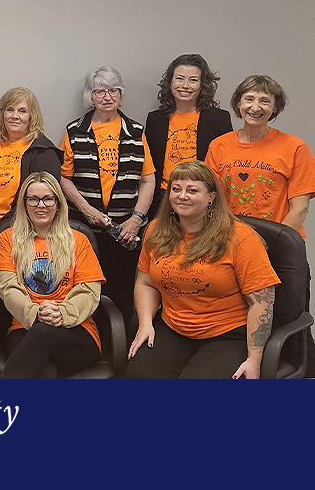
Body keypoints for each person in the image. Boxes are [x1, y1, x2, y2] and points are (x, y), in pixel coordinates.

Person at [204, 75, 315, 376]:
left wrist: (269, 245)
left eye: (265, 101)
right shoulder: (219, 145)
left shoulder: (295, 147)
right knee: (243, 318)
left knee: (286, 322)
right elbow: (210, 200)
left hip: (281, 252)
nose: (256, 107)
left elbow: (300, 207)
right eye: (249, 99)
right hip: (229, 248)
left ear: (275, 108)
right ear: (238, 104)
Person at [127, 161, 279, 379]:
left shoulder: (241, 237)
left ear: (211, 197)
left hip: (228, 335)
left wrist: (254, 359)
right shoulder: (155, 230)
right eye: (176, 189)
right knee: (138, 378)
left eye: (192, 190)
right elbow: (145, 282)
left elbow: (262, 302)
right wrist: (145, 324)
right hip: (174, 328)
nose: (182, 196)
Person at [60, 66, 156, 327]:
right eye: (99, 91)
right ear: (90, 96)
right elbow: (64, 178)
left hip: (124, 231)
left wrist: (136, 219)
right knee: (80, 289)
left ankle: (120, 350)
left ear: (121, 95)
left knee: (122, 291)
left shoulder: (135, 132)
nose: (106, 96)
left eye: (113, 90)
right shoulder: (74, 131)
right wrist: (87, 210)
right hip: (84, 230)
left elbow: (148, 179)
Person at [0, 172, 104, 378]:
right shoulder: (8, 239)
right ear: (24, 204)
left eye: (48, 198)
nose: (41, 205)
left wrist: (62, 313)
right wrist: (36, 314)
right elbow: (7, 287)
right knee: (45, 372)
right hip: (25, 326)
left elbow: (89, 290)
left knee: (42, 335)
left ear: (58, 204)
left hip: (76, 330)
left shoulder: (79, 240)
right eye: (33, 199)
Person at [0, 86, 61, 284]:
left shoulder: (42, 152)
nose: (15, 116)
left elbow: (40, 203)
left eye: (22, 111)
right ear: (1, 114)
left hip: (21, 239)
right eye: (10, 109)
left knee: (18, 294)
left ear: (32, 116)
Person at [145, 54, 233, 218]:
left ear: (202, 85)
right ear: (170, 82)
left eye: (193, 80)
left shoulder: (219, 119)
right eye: (179, 79)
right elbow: (148, 168)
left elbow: (226, 166)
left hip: (203, 201)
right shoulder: (155, 119)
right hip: (163, 200)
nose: (185, 85)